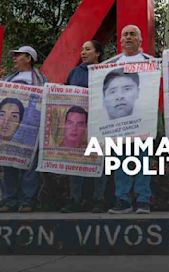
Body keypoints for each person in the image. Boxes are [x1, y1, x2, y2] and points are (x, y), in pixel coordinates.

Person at [103, 25, 154, 214]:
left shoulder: (151, 62)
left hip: (143, 120)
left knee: (143, 161)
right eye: (125, 35)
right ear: (120, 40)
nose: (129, 37)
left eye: (133, 34)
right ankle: (122, 200)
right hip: (119, 122)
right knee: (120, 160)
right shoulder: (109, 64)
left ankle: (143, 200)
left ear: (140, 40)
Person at [0, 45, 47, 213]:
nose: (14, 59)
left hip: (30, 129)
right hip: (10, 128)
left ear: (28, 58)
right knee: (8, 164)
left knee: (30, 165)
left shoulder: (41, 80)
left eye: (18, 56)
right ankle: (8, 201)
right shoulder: (8, 79)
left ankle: (27, 201)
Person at [62, 40, 108, 214]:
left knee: (100, 162)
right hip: (78, 127)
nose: (83, 52)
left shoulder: (105, 72)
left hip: (99, 125)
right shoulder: (74, 72)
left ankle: (99, 199)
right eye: (82, 49)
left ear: (97, 53)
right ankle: (75, 199)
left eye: (88, 49)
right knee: (76, 162)